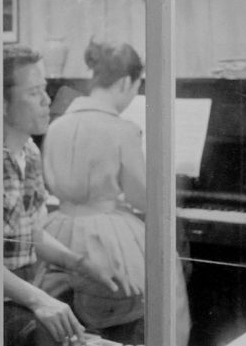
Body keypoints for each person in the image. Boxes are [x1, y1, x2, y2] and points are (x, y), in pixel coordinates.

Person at [41, 38, 191, 346]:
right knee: (168, 274)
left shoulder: (57, 125)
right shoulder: (122, 130)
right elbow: (141, 197)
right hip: (106, 237)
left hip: (57, 229)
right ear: (125, 82)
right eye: (136, 87)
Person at [2, 44, 118, 346]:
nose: (47, 101)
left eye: (45, 89)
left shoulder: (29, 151)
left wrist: (79, 263)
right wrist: (40, 300)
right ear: (1, 102)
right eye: (34, 93)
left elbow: (34, 233)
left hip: (24, 292)